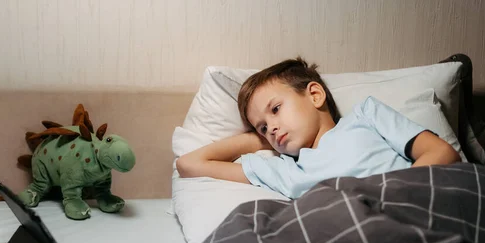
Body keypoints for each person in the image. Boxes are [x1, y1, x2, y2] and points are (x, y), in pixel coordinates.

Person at [176, 57, 461, 199]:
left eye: (275, 110)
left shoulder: (366, 116)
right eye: (262, 127)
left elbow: (442, 153)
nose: (271, 128)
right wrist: (257, 141)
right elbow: (189, 164)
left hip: (417, 200)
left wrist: (394, 198)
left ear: (315, 95)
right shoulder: (286, 171)